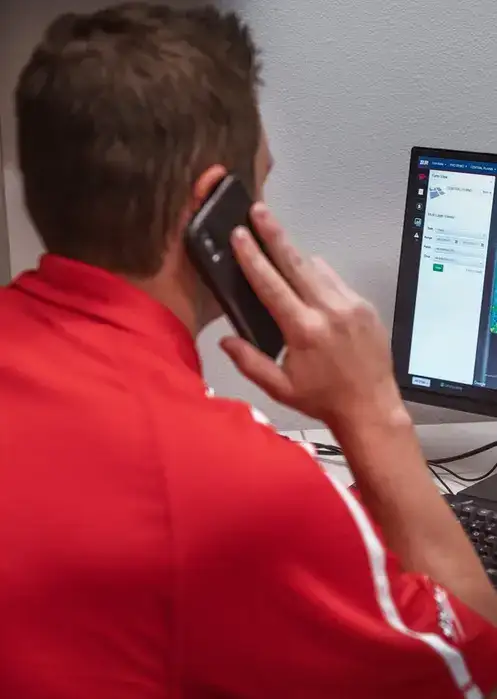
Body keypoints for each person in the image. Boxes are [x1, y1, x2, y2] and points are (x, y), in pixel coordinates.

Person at [1, 3, 496, 698]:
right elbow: (475, 665)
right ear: (216, 209)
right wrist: (371, 411)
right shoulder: (226, 485)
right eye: (260, 182)